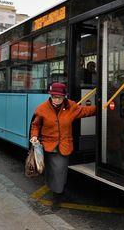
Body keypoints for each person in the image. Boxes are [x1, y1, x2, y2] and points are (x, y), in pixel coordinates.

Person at [30, 82, 96, 211]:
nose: (56, 100)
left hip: (64, 146)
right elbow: (36, 125)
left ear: (64, 97)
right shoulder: (42, 109)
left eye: (59, 97)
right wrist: (34, 136)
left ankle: (57, 197)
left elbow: (85, 111)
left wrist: (102, 106)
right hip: (47, 146)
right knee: (49, 171)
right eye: (54, 97)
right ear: (50, 95)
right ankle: (55, 190)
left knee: (59, 171)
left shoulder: (71, 106)